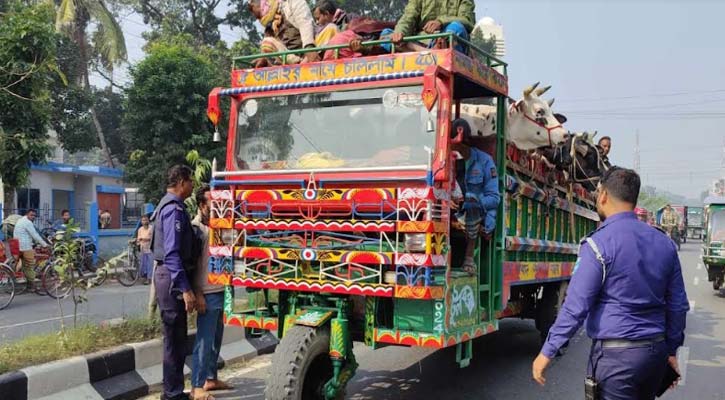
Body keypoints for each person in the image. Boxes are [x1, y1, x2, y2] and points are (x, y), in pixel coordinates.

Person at [532, 167, 690, 400]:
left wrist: (547, 351)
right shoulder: (664, 243)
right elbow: (678, 305)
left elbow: (576, 306)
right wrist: (672, 350)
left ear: (603, 195)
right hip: (655, 354)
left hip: (616, 361)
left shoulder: (598, 245)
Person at [151, 165, 197, 400]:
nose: (192, 187)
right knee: (174, 340)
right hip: (171, 278)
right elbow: (172, 253)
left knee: (177, 339)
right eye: (191, 182)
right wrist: (185, 289)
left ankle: (174, 392)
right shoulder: (173, 210)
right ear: (181, 182)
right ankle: (172, 394)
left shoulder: (168, 206)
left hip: (169, 276)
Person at [191, 184, 232, 400]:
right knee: (204, 340)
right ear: (201, 205)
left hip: (221, 288)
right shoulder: (196, 230)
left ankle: (210, 378)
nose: (217, 206)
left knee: (216, 338)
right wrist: (197, 293)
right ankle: (196, 386)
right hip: (206, 291)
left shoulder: (219, 226)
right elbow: (191, 265)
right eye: (212, 203)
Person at [451, 119, 500, 274]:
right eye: (453, 146)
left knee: (472, 200)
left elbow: (494, 198)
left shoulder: (484, 161)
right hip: (449, 211)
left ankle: (469, 259)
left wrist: (470, 202)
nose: (456, 150)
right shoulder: (443, 159)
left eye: (459, 147)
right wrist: (447, 202)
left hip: (475, 213)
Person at [381, 0, 475, 54]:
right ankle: (429, 53)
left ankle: (414, 50)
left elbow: (467, 20)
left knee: (457, 27)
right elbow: (408, 17)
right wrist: (399, 32)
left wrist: (441, 22)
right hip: (422, 41)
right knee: (385, 34)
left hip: (446, 38)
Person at [248, 0, 320, 67]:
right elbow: (273, 47)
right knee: (267, 43)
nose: (259, 19)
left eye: (258, 14)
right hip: (289, 60)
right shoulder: (269, 25)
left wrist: (309, 47)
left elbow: (305, 24)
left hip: (308, 52)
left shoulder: (292, 3)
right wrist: (264, 59)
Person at [14, 209, 50, 290]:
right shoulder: (28, 222)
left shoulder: (20, 220)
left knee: (25, 265)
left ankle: (26, 282)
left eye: (34, 215)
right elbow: (35, 235)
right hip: (25, 247)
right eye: (31, 215)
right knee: (30, 266)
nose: (33, 217)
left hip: (18, 245)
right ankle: (33, 286)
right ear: (27, 214)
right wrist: (45, 245)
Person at [136, 214, 153, 285]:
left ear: (148, 220)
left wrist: (145, 239)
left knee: (150, 264)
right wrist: (137, 241)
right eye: (143, 220)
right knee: (143, 264)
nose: (144, 221)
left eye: (146, 220)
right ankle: (144, 277)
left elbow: (152, 238)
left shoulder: (151, 228)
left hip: (150, 248)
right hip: (142, 248)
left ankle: (149, 278)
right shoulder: (140, 229)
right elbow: (138, 238)